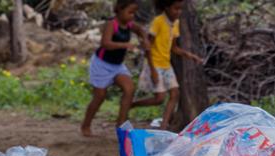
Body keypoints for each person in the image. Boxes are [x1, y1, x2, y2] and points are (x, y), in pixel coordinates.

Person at [81, 0, 149, 137]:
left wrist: (145, 39)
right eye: (130, 12)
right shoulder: (112, 24)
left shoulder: (129, 24)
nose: (132, 16)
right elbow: (105, 43)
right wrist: (124, 45)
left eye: (134, 13)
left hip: (117, 66)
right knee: (99, 96)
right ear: (119, 10)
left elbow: (140, 30)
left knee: (129, 89)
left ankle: (121, 124)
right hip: (101, 64)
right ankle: (86, 125)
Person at [137, 0, 205, 130]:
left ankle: (163, 126)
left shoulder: (175, 24)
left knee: (175, 94)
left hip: (166, 64)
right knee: (160, 98)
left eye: (180, 9)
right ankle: (132, 104)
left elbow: (174, 48)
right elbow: (148, 47)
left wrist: (190, 55)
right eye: (176, 9)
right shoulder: (158, 22)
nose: (178, 12)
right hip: (155, 64)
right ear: (167, 8)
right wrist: (152, 70)